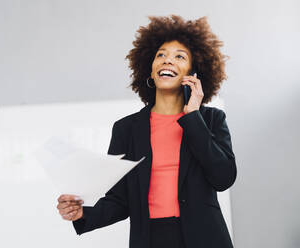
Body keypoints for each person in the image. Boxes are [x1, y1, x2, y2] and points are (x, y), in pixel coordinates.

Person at [57, 14, 237, 248]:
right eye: (160, 55)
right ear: (150, 71)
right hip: (151, 239)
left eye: (179, 57)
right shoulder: (126, 129)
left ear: (193, 74)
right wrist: (82, 215)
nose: (167, 61)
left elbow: (223, 178)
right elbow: (120, 199)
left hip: (205, 238)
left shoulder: (211, 119)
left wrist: (193, 116)